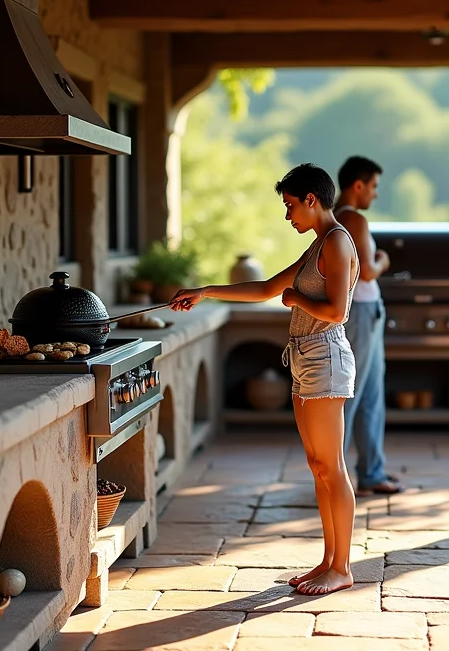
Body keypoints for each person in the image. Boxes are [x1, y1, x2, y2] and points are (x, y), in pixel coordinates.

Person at [170, 164, 359, 596]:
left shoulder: (337, 242)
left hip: (325, 356)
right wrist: (205, 290)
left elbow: (337, 312)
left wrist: (295, 298)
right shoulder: (317, 247)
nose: (288, 216)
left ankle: (342, 567)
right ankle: (328, 561)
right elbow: (267, 288)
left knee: (332, 467)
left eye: (291, 205)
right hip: (305, 358)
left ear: (312, 199)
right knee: (318, 466)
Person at [335, 156, 402, 495]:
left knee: (370, 393)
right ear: (358, 185)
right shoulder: (354, 220)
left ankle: (371, 473)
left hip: (366, 310)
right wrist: (384, 259)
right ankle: (336, 477)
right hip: (360, 310)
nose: (374, 194)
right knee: (353, 394)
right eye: (373, 186)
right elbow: (366, 270)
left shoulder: (333, 218)